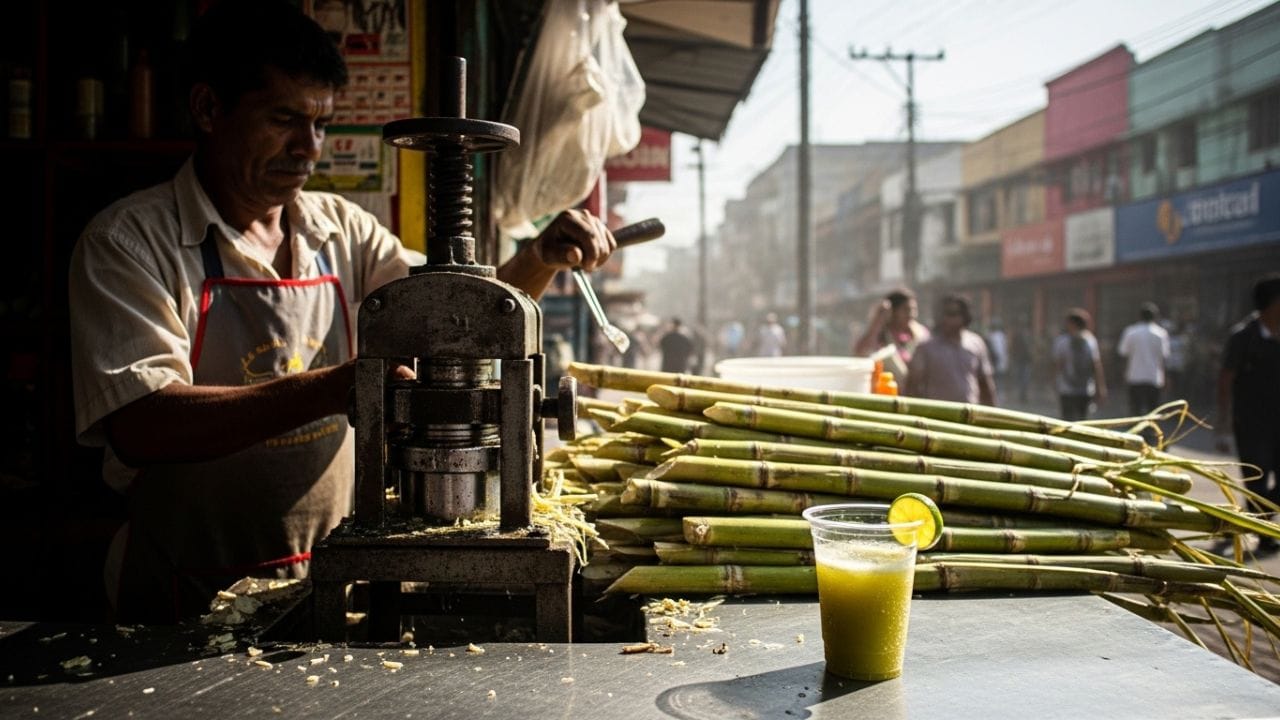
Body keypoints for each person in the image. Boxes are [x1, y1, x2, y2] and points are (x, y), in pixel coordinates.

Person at [66, 0, 616, 623]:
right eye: (284, 120)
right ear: (209, 109)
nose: (309, 148)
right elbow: (142, 424)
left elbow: (457, 316)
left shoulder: (343, 230)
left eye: (321, 124)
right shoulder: (130, 242)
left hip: (329, 586)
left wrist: (540, 258)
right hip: (179, 598)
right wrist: (338, 388)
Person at [1215, 274, 1280, 557]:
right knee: (1258, 480)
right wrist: (1223, 425)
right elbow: (1226, 379)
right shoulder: (1243, 337)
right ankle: (1264, 534)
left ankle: (1252, 519)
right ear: (1271, 304)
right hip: (1251, 423)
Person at [904, 295, 997, 406]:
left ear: (964, 316)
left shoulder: (976, 343)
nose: (946, 319)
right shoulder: (926, 348)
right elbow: (912, 385)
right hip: (939, 417)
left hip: (970, 415)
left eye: (952, 314)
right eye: (944, 314)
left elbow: (985, 384)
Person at [852, 288, 930, 384]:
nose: (911, 314)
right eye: (906, 310)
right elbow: (861, 352)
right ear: (893, 312)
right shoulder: (882, 334)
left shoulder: (919, 333)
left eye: (914, 309)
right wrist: (878, 320)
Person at [1052, 308, 1107, 422]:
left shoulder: (1062, 341)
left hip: (1067, 388)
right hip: (1085, 388)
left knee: (1066, 422)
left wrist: (1054, 382)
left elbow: (1058, 365)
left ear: (1072, 324)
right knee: (1083, 421)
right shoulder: (1091, 340)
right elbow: (1096, 365)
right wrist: (1101, 387)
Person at [1117, 301, 1170, 418]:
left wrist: (1124, 373)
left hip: (1134, 376)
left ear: (1139, 316)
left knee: (1135, 410)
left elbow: (1123, 354)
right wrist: (1165, 377)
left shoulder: (1131, 332)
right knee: (1153, 411)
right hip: (1154, 377)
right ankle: (1150, 434)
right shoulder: (1161, 334)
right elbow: (1163, 357)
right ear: (1155, 317)